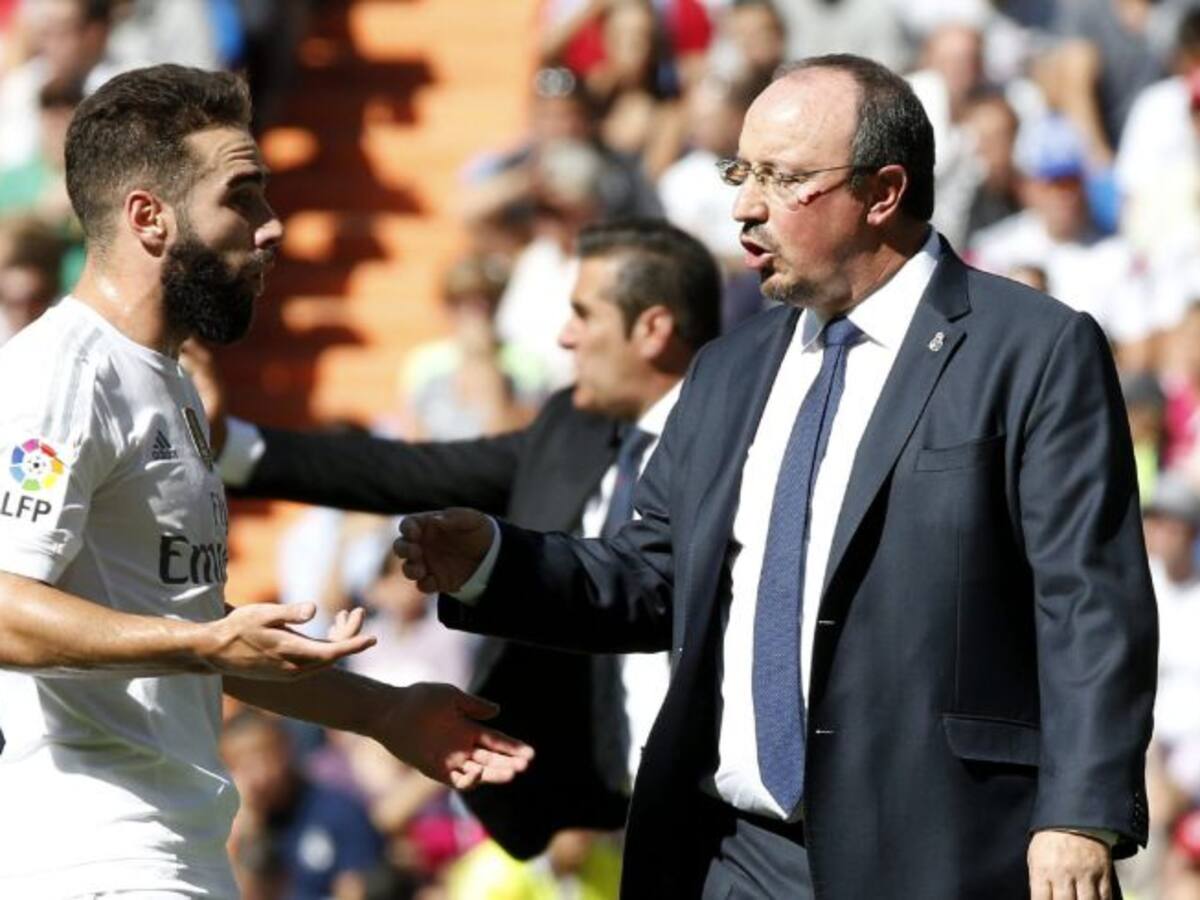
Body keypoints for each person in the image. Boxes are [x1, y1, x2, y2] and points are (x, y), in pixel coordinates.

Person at [397, 54, 1158, 898]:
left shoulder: (1032, 348)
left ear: (884, 192)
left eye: (782, 178)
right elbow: (654, 574)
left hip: (944, 851)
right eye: (741, 172)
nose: (744, 206)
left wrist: (1080, 813)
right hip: (735, 858)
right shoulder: (729, 369)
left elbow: (1088, 602)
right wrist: (495, 561)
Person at [0, 64, 532, 898]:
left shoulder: (168, 381)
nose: (272, 226)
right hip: (93, 857)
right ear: (149, 217)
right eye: (242, 198)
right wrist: (200, 642)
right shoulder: (63, 374)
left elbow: (186, 627)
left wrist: (380, 711)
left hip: (171, 845)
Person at [216, 218, 722, 860]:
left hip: (723, 808)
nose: (565, 337)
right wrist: (227, 442)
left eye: (584, 315)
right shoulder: (572, 428)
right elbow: (410, 471)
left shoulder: (743, 445)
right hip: (606, 819)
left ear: (653, 329)